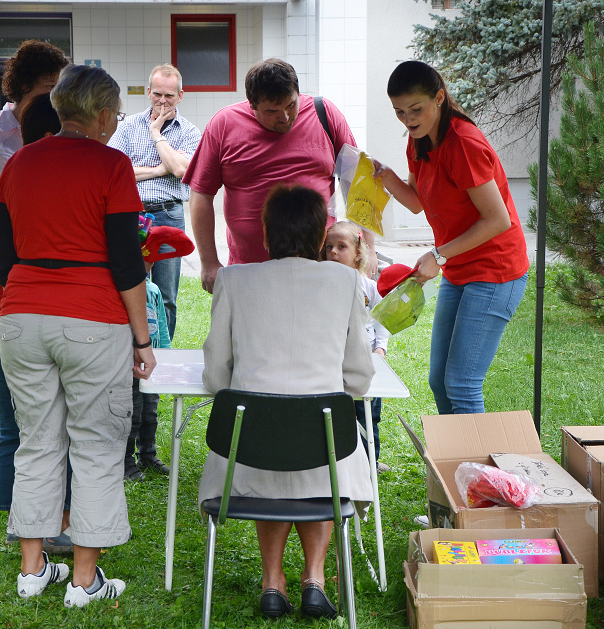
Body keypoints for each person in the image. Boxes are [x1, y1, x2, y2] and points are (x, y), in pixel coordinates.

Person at [0, 64, 156, 607]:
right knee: (96, 446)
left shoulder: (18, 163)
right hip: (92, 319)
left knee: (37, 442)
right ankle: (84, 581)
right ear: (105, 114)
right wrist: (142, 338)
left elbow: (8, 254)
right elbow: (126, 260)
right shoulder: (113, 166)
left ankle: (32, 569)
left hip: (20, 316)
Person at [199, 184, 374, 619]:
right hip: (327, 456)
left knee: (270, 448)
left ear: (265, 234)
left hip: (246, 456)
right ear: (320, 238)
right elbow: (359, 376)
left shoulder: (234, 280)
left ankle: (272, 580)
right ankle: (314, 577)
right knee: (319, 461)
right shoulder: (347, 280)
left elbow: (218, 374)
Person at [373, 60, 529, 415]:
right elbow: (417, 202)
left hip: (496, 270)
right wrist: (384, 176)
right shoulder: (418, 141)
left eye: (416, 109)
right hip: (459, 267)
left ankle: (472, 470)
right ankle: (453, 465)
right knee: (439, 380)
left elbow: (498, 219)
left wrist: (438, 255)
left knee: (461, 382)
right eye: (399, 112)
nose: (408, 119)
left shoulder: (463, 144)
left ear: (439, 98)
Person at [0, 40, 69, 510]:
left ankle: (21, 487)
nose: (54, 98)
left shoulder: (60, 134)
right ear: (23, 88)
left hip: (37, 281)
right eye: (48, 88)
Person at [183, 58, 368, 293]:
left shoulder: (325, 113)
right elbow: (201, 193)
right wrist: (208, 262)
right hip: (249, 271)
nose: (285, 117)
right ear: (252, 105)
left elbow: (357, 182)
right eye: (272, 111)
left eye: (291, 105)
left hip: (318, 267)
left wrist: (367, 249)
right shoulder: (224, 123)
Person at [108, 64, 201, 339]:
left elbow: (183, 170)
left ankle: (164, 350)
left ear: (180, 96)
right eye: (157, 93)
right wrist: (161, 169)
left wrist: (157, 134)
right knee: (132, 287)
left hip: (169, 215)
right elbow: (116, 171)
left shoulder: (189, 132)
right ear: (148, 92)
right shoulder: (127, 127)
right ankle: (135, 348)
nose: (162, 100)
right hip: (131, 216)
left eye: (169, 96)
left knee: (167, 293)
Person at [124, 225, 195, 482]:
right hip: (129, 367)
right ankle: (126, 461)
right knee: (131, 412)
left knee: (150, 412)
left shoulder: (153, 290)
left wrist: (164, 356)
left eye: (149, 263)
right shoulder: (119, 292)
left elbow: (162, 328)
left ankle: (148, 454)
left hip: (151, 366)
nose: (145, 268)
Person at [322, 221, 390, 471]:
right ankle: (338, 459)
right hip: (333, 358)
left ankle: (369, 462)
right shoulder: (322, 284)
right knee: (337, 411)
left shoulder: (369, 286)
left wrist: (380, 347)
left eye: (342, 246)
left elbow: (382, 318)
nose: (333, 253)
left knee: (369, 413)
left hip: (365, 358)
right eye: (329, 247)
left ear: (358, 253)